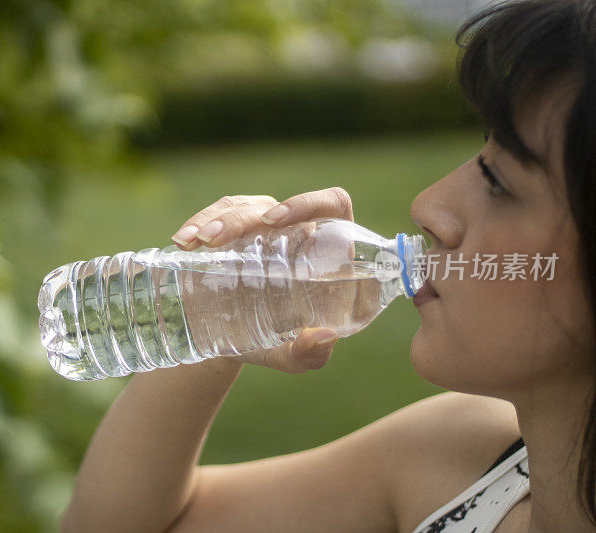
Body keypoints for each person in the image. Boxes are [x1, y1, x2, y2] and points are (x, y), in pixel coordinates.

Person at [60, 1, 596, 531]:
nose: (429, 206)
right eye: (482, 155)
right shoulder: (460, 458)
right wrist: (214, 313)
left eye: (499, 182)